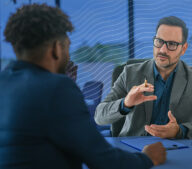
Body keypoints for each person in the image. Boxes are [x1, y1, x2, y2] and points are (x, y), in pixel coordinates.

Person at [0, 4, 166, 169]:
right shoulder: (57, 88)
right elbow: (104, 161)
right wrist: (147, 158)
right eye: (67, 46)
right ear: (56, 48)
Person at [95, 16, 192, 139]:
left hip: (176, 149)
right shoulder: (130, 73)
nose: (162, 50)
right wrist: (125, 103)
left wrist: (179, 130)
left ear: (183, 48)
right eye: (159, 41)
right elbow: (99, 116)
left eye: (171, 44)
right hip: (133, 150)